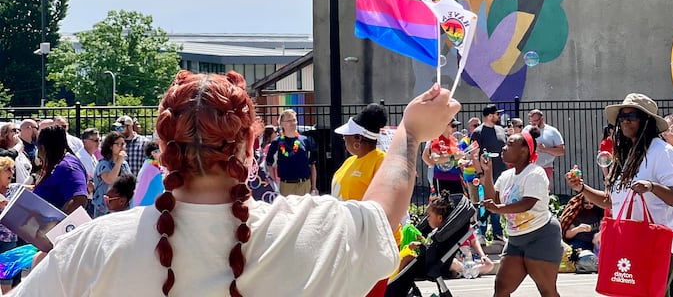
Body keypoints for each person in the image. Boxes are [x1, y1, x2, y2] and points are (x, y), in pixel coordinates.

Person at [13, 71, 460, 296]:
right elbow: (384, 213)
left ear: (163, 148)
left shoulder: (91, 247)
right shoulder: (310, 232)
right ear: (251, 144)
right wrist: (409, 133)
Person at [566, 93, 673, 297]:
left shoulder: (662, 152)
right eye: (621, 117)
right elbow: (610, 201)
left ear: (647, 121)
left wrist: (652, 186)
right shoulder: (626, 154)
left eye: (631, 116)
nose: (624, 121)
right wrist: (582, 188)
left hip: (657, 242)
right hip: (629, 239)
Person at [479, 127, 562, 297]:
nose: (503, 147)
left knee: (547, 290)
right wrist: (487, 173)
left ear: (524, 151)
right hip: (516, 239)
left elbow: (527, 204)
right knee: (501, 288)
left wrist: (498, 208)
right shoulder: (506, 176)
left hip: (541, 236)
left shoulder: (535, 173)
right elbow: (492, 200)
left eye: (509, 144)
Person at [332, 103, 390, 297]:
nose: (343, 138)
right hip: (348, 242)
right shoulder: (350, 161)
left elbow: (383, 203)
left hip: (369, 245)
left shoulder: (380, 160)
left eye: (347, 135)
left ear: (358, 138)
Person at [470, 104, 507, 243]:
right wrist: (481, 174)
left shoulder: (501, 130)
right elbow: (474, 155)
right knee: (484, 204)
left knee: (497, 202)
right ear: (490, 116)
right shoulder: (478, 133)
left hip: (500, 174)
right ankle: (481, 233)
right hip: (485, 175)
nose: (499, 116)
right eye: (497, 114)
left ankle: (498, 233)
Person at [33, 126, 89, 214]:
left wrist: (57, 224)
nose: (39, 155)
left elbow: (79, 199)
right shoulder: (60, 165)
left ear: (43, 148)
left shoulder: (68, 167)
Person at [265, 109, 317, 196]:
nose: (293, 123)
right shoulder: (276, 142)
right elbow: (269, 164)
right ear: (281, 124)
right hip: (286, 186)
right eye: (289, 120)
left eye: (294, 120)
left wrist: (314, 186)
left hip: (304, 185)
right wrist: (275, 185)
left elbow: (312, 165)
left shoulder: (304, 140)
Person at [91, 131, 132, 218]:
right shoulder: (103, 164)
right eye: (118, 144)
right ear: (110, 146)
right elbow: (110, 180)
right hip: (104, 208)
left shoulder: (124, 164)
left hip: (121, 206)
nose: (122, 147)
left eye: (123, 144)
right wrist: (119, 162)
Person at [0, 156, 24, 292]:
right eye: (8, 169)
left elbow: (34, 187)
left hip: (9, 239)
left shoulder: (15, 189)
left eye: (13, 170)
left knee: (6, 276)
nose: (12, 173)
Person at [422, 119, 464, 194]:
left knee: (458, 203)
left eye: (456, 126)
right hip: (442, 178)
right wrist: (452, 157)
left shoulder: (454, 140)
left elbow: (458, 158)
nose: (455, 128)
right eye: (453, 126)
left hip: (456, 178)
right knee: (443, 204)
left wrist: (463, 162)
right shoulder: (437, 139)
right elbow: (434, 158)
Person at [528, 109, 565, 190]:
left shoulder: (552, 131)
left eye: (536, 121)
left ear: (542, 119)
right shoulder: (527, 130)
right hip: (529, 168)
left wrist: (545, 149)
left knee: (543, 193)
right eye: (531, 121)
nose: (533, 123)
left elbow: (561, 151)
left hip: (545, 167)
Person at [132, 140, 165, 207]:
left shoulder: (150, 166)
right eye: (161, 151)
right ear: (153, 153)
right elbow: (160, 187)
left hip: (144, 204)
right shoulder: (151, 169)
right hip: (145, 205)